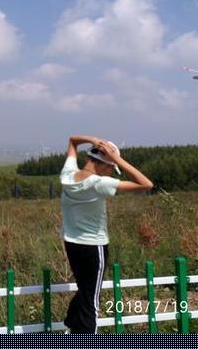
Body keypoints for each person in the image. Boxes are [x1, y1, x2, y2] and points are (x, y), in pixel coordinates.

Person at [60, 135, 153, 334]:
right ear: (104, 164)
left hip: (72, 244)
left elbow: (72, 141)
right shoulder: (99, 183)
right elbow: (146, 184)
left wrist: (93, 140)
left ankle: (72, 325)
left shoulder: (67, 176)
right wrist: (117, 159)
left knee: (85, 290)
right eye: (111, 167)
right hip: (94, 247)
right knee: (92, 299)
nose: (112, 171)